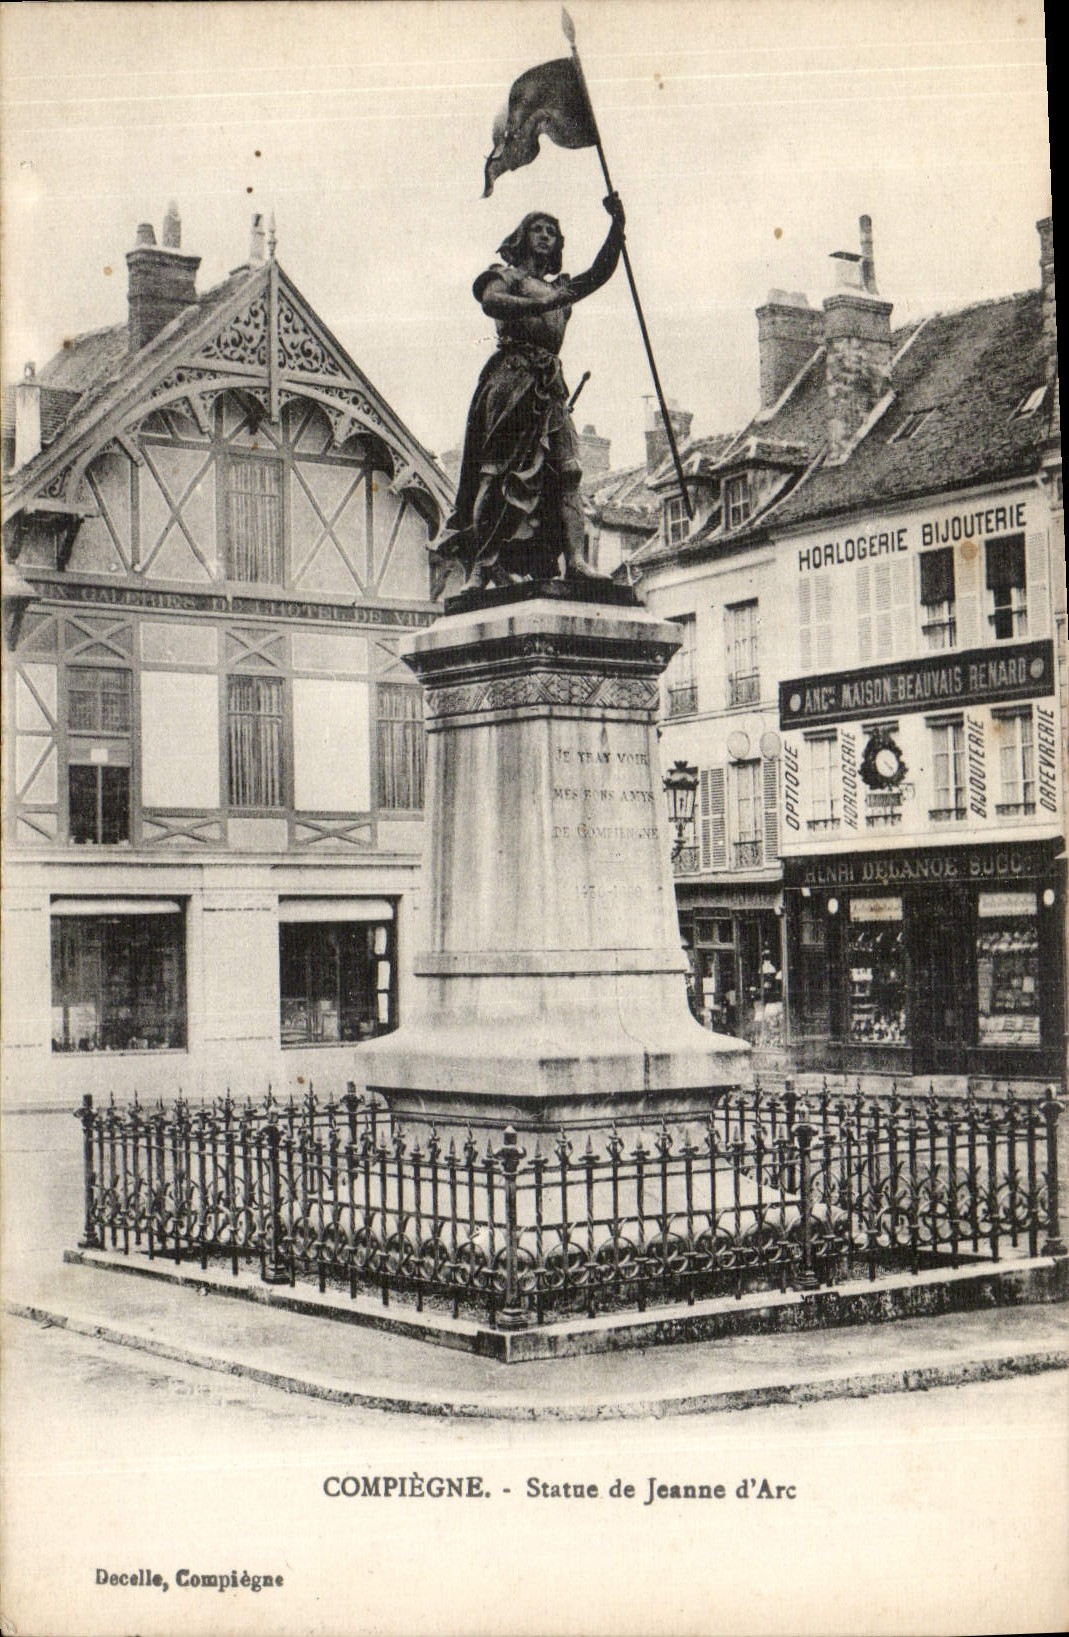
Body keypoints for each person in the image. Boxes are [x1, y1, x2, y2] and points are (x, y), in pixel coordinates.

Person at [435, 195, 626, 590]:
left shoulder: (560, 288)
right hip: (512, 378)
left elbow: (599, 272)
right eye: (537, 229)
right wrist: (544, 303)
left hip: (549, 384)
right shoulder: (506, 276)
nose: (545, 235)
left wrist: (617, 226)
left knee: (568, 471)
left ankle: (575, 561)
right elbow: (490, 302)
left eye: (551, 231)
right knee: (495, 474)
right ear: (522, 238)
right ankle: (482, 566)